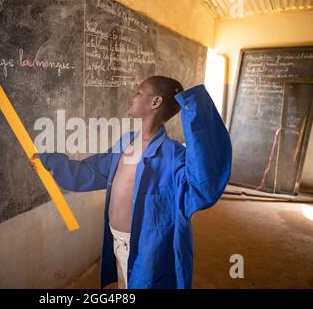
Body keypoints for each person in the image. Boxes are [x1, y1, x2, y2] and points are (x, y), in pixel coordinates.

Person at [29, 76, 232, 289]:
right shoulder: (127, 142)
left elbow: (203, 187)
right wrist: (50, 162)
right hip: (116, 242)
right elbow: (92, 171)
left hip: (147, 251)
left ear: (155, 102)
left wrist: (195, 111)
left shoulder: (174, 156)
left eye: (138, 92)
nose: (132, 97)